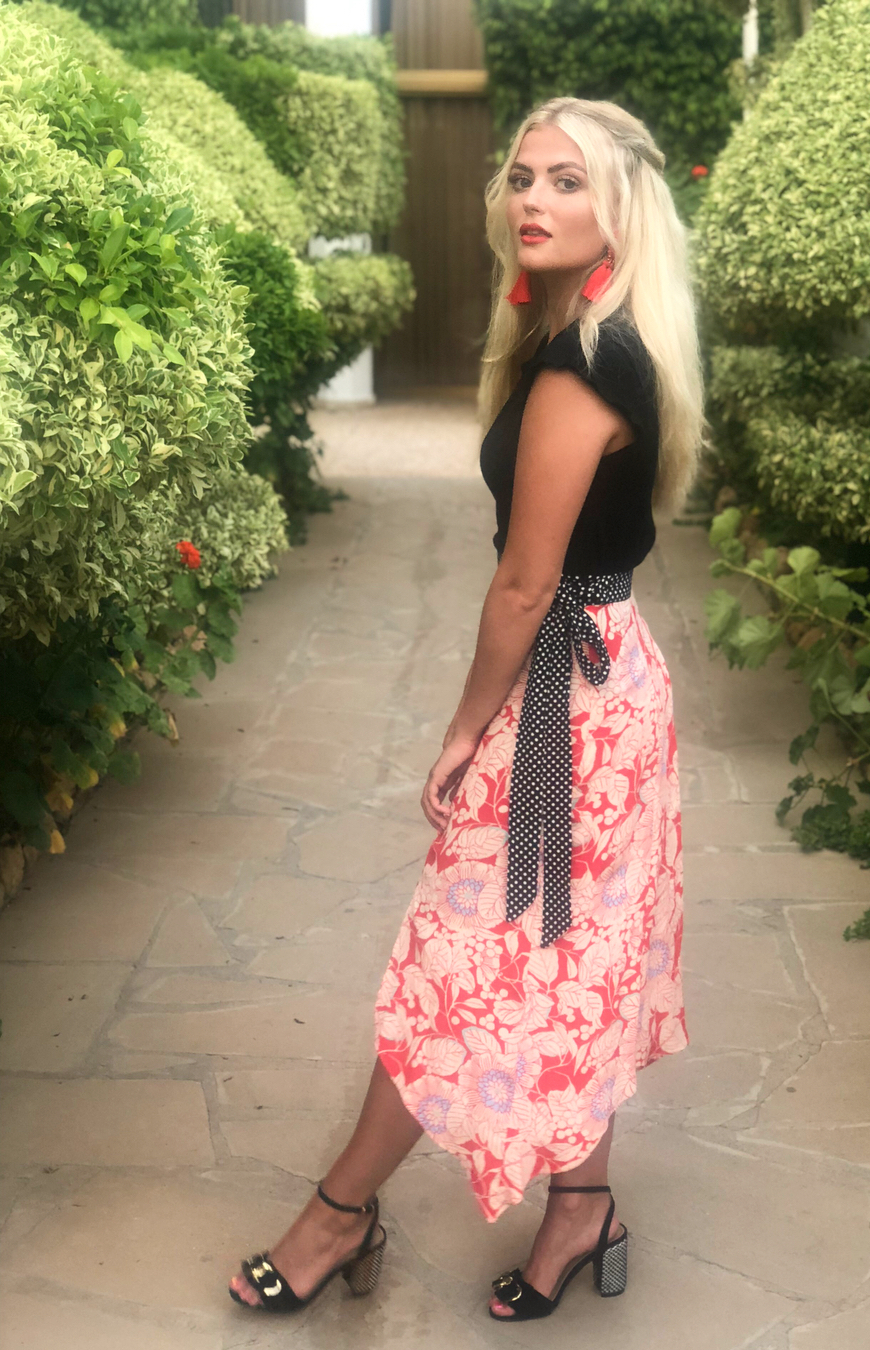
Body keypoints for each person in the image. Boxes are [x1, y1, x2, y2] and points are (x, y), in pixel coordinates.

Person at [228, 94, 704, 1323]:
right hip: (603, 682)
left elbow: (525, 586)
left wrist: (459, 731)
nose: (533, 198)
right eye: (523, 176)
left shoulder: (585, 360)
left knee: (462, 962)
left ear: (620, 209)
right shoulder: (587, 334)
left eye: (568, 181)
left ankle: (340, 1211)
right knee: (565, 955)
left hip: (566, 704)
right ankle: (583, 1205)